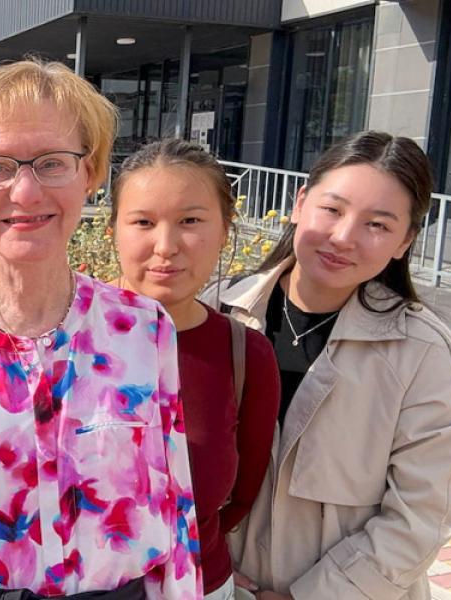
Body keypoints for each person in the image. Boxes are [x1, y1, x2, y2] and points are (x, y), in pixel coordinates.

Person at [0, 59, 201, 600]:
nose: (25, 192)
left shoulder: (142, 328)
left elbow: (175, 504)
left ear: (89, 174)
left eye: (52, 163)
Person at [206, 131, 451, 600]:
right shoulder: (216, 315)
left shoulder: (420, 351)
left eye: (378, 225)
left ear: (404, 241)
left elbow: (422, 514)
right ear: (300, 202)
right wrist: (209, 569)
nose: (344, 237)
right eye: (332, 209)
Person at [110, 139, 280, 600]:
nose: (166, 247)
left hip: (202, 587)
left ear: (225, 229)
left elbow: (241, 496)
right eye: (143, 222)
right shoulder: (62, 338)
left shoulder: (246, 355)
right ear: (113, 230)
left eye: (190, 221)